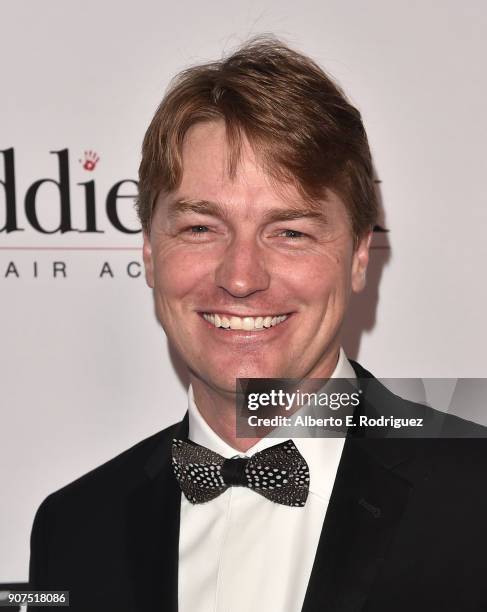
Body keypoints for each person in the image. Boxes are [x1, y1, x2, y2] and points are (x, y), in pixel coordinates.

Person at [28, 37, 487, 611]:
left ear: (359, 256)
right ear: (149, 250)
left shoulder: (476, 498)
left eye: (290, 232)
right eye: (200, 228)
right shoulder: (73, 528)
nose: (241, 277)